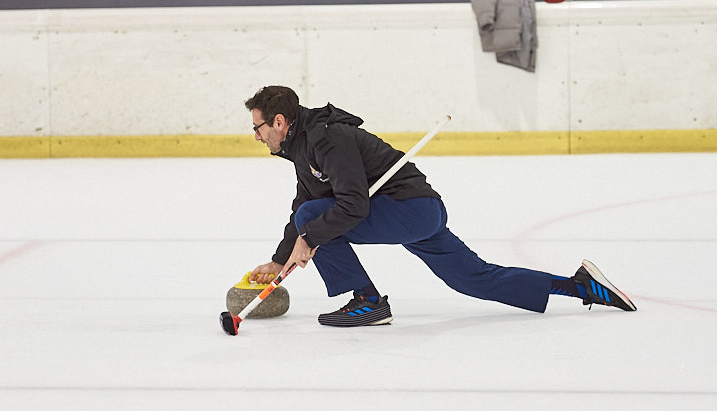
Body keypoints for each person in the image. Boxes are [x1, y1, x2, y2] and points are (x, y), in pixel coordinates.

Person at [245, 85, 635, 327]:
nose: (257, 136)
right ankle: (580, 286)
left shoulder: (326, 138)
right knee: (472, 279)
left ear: (279, 122)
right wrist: (281, 259)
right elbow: (306, 200)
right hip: (416, 211)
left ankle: (367, 303)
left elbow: (351, 207)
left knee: (314, 219)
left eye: (257, 128)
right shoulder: (303, 146)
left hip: (407, 208)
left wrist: (310, 236)